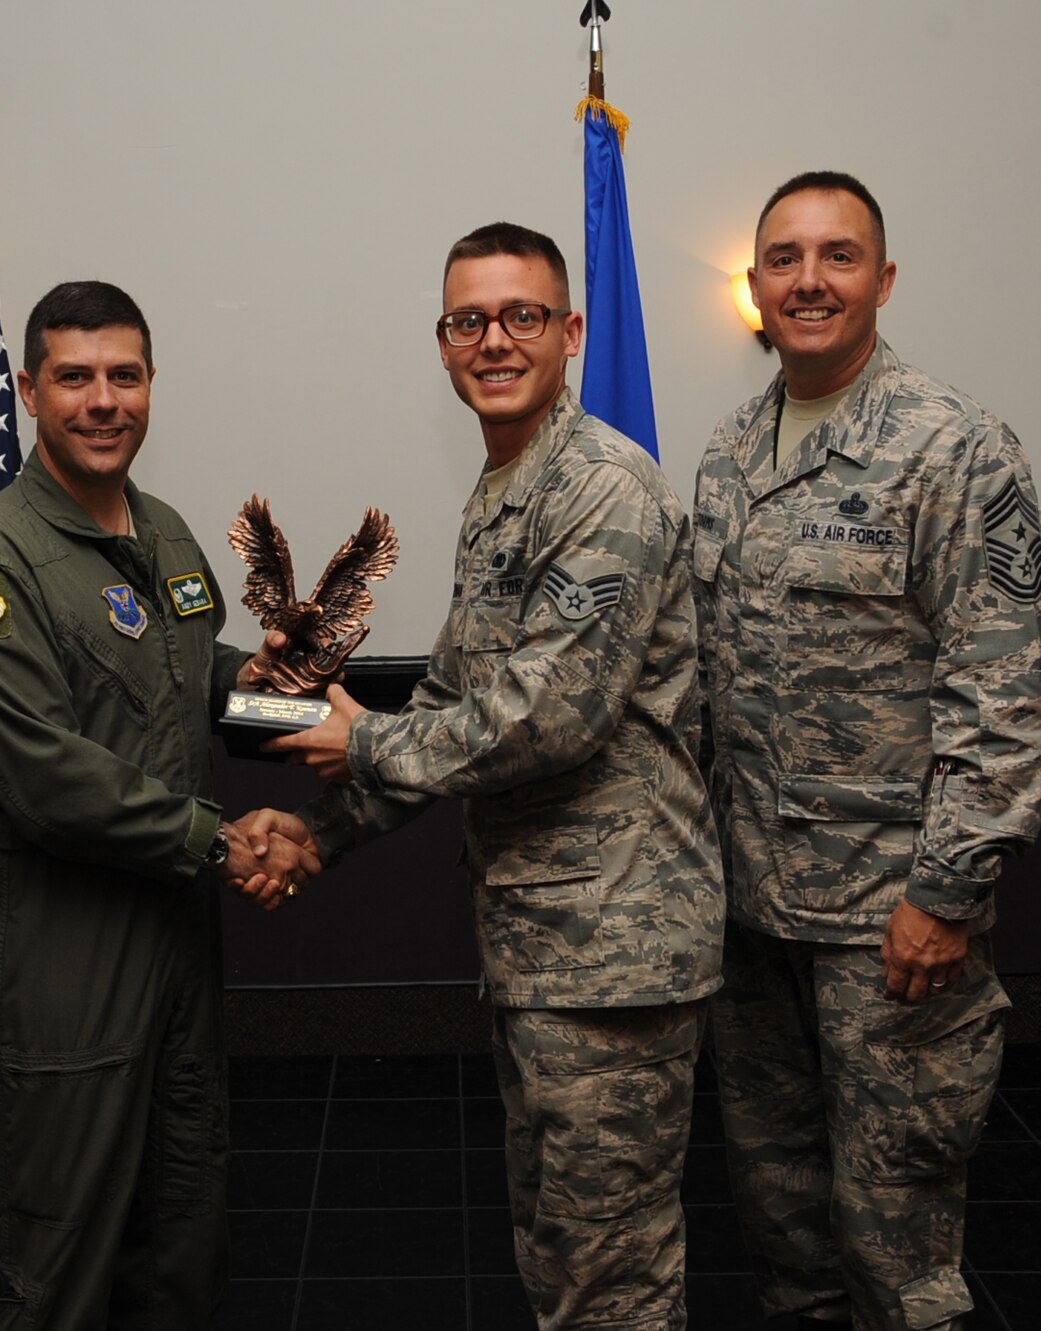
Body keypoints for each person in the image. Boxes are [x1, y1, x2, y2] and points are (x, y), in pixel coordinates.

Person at [242, 223, 725, 1330]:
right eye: (468, 320)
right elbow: (450, 709)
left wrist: (352, 741)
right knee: (562, 1250)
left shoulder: (600, 488)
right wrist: (322, 828)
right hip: (544, 945)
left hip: (615, 955)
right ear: (442, 342)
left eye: (520, 316)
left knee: (609, 1279)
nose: (493, 340)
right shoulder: (506, 489)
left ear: (569, 333)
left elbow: (539, 721)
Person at [0, 280, 314, 1330]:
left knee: (178, 1230)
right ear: (30, 392)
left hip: (174, 934)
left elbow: (193, 679)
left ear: (149, 385)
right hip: (60, 949)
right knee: (52, 1255)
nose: (102, 400)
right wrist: (223, 842)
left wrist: (296, 702)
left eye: (122, 375)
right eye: (74, 377)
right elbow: (40, 773)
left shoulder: (165, 533)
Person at [693, 173, 1041, 1331]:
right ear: (753, 287)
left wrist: (945, 894)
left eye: (837, 255)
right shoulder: (728, 452)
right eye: (785, 258)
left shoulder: (952, 448)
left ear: (882, 280)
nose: (808, 279)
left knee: (895, 1246)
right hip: (751, 918)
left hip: (885, 925)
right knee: (785, 1230)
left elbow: (1001, 692)